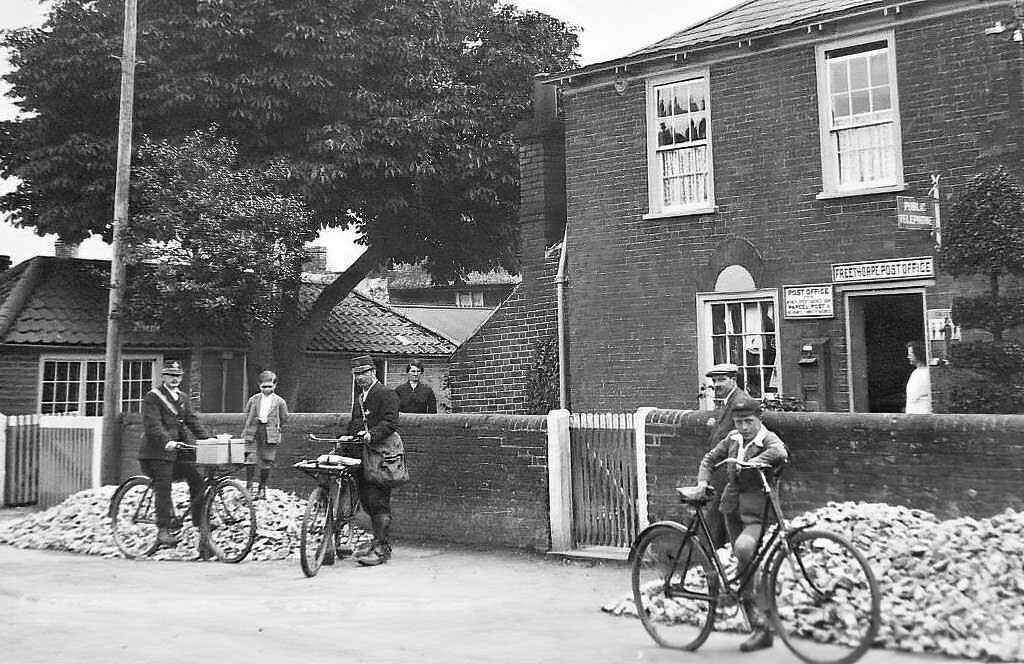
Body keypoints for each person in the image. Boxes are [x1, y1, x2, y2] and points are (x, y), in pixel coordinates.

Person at [692, 395, 788, 652]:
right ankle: (757, 626)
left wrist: (754, 462)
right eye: (738, 422)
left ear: (758, 419)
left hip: (757, 511)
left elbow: (779, 452)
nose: (744, 427)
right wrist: (703, 482)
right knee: (745, 568)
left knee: (745, 550)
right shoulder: (733, 439)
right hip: (731, 507)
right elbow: (709, 460)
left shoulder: (767, 439)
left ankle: (761, 624)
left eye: (748, 421)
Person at [138, 359, 214, 560]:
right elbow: (152, 424)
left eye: (177, 376)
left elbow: (192, 421)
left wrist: (209, 440)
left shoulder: (182, 397)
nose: (174, 379)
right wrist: (166, 441)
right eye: (170, 375)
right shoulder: (153, 397)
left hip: (178, 451)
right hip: (156, 452)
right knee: (164, 486)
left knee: (198, 480)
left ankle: (200, 526)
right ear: (163, 377)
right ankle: (163, 529)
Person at [343, 354, 402, 566]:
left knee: (377, 499)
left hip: (380, 455)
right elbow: (355, 422)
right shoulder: (360, 396)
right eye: (356, 374)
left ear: (373, 372)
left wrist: (372, 435)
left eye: (363, 373)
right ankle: (378, 542)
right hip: (361, 454)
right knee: (366, 499)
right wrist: (347, 436)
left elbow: (391, 422)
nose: (359, 378)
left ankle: (380, 549)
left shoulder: (387, 394)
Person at [701, 363, 751, 549]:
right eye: (714, 380)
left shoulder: (739, 402)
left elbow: (744, 436)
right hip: (721, 468)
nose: (717, 384)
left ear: (733, 380)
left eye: (722, 379)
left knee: (718, 517)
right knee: (717, 517)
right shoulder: (729, 402)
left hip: (729, 470)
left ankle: (710, 562)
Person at [241, 370, 290, 499]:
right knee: (250, 457)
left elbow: (284, 417)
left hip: (269, 431)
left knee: (266, 459)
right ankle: (249, 486)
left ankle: (262, 488)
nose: (267, 389)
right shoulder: (253, 400)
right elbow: (246, 413)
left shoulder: (279, 402)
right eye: (264, 387)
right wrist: (251, 424)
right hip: (254, 430)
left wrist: (275, 427)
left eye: (270, 386)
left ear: (275, 385)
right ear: (259, 385)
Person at [905, 340, 932, 414]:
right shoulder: (915, 373)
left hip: (923, 414)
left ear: (918, 354)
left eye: (910, 354)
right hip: (912, 414)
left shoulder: (928, 372)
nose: (908, 357)